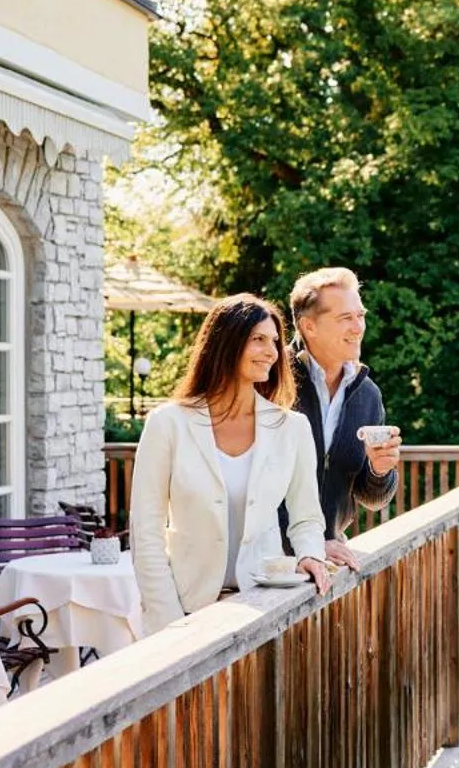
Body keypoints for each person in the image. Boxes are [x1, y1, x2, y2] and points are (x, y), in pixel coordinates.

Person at [131, 293, 329, 633]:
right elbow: (146, 532)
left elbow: (307, 518)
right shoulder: (168, 423)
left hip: (262, 608)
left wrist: (310, 554)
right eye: (258, 340)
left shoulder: (292, 428)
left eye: (275, 342)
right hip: (184, 609)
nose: (272, 352)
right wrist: (170, 621)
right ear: (226, 343)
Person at [285, 267, 402, 566]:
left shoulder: (368, 394)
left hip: (330, 557)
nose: (358, 327)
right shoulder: (272, 380)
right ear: (309, 326)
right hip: (271, 561)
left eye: (360, 315)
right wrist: (310, 544)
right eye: (345, 318)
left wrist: (379, 469)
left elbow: (372, 498)